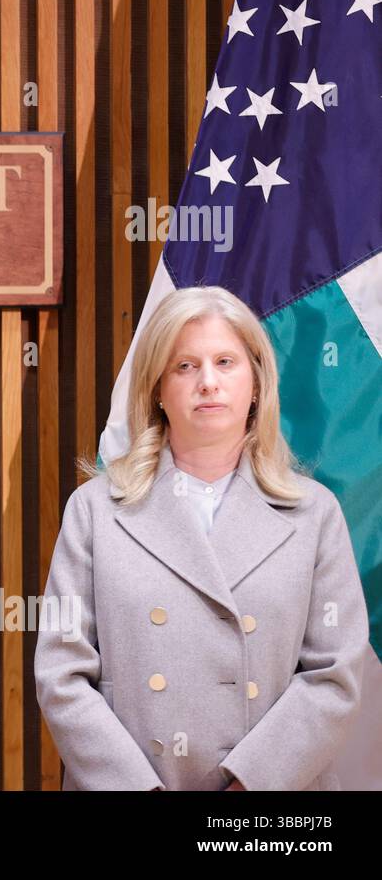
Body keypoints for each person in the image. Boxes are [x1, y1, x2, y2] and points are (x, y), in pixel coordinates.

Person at [34, 286, 369, 790]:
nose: (207, 382)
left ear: (256, 384)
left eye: (225, 362)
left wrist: (249, 786)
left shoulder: (314, 513)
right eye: (185, 366)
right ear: (158, 391)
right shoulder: (94, 512)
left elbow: (334, 675)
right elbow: (61, 673)